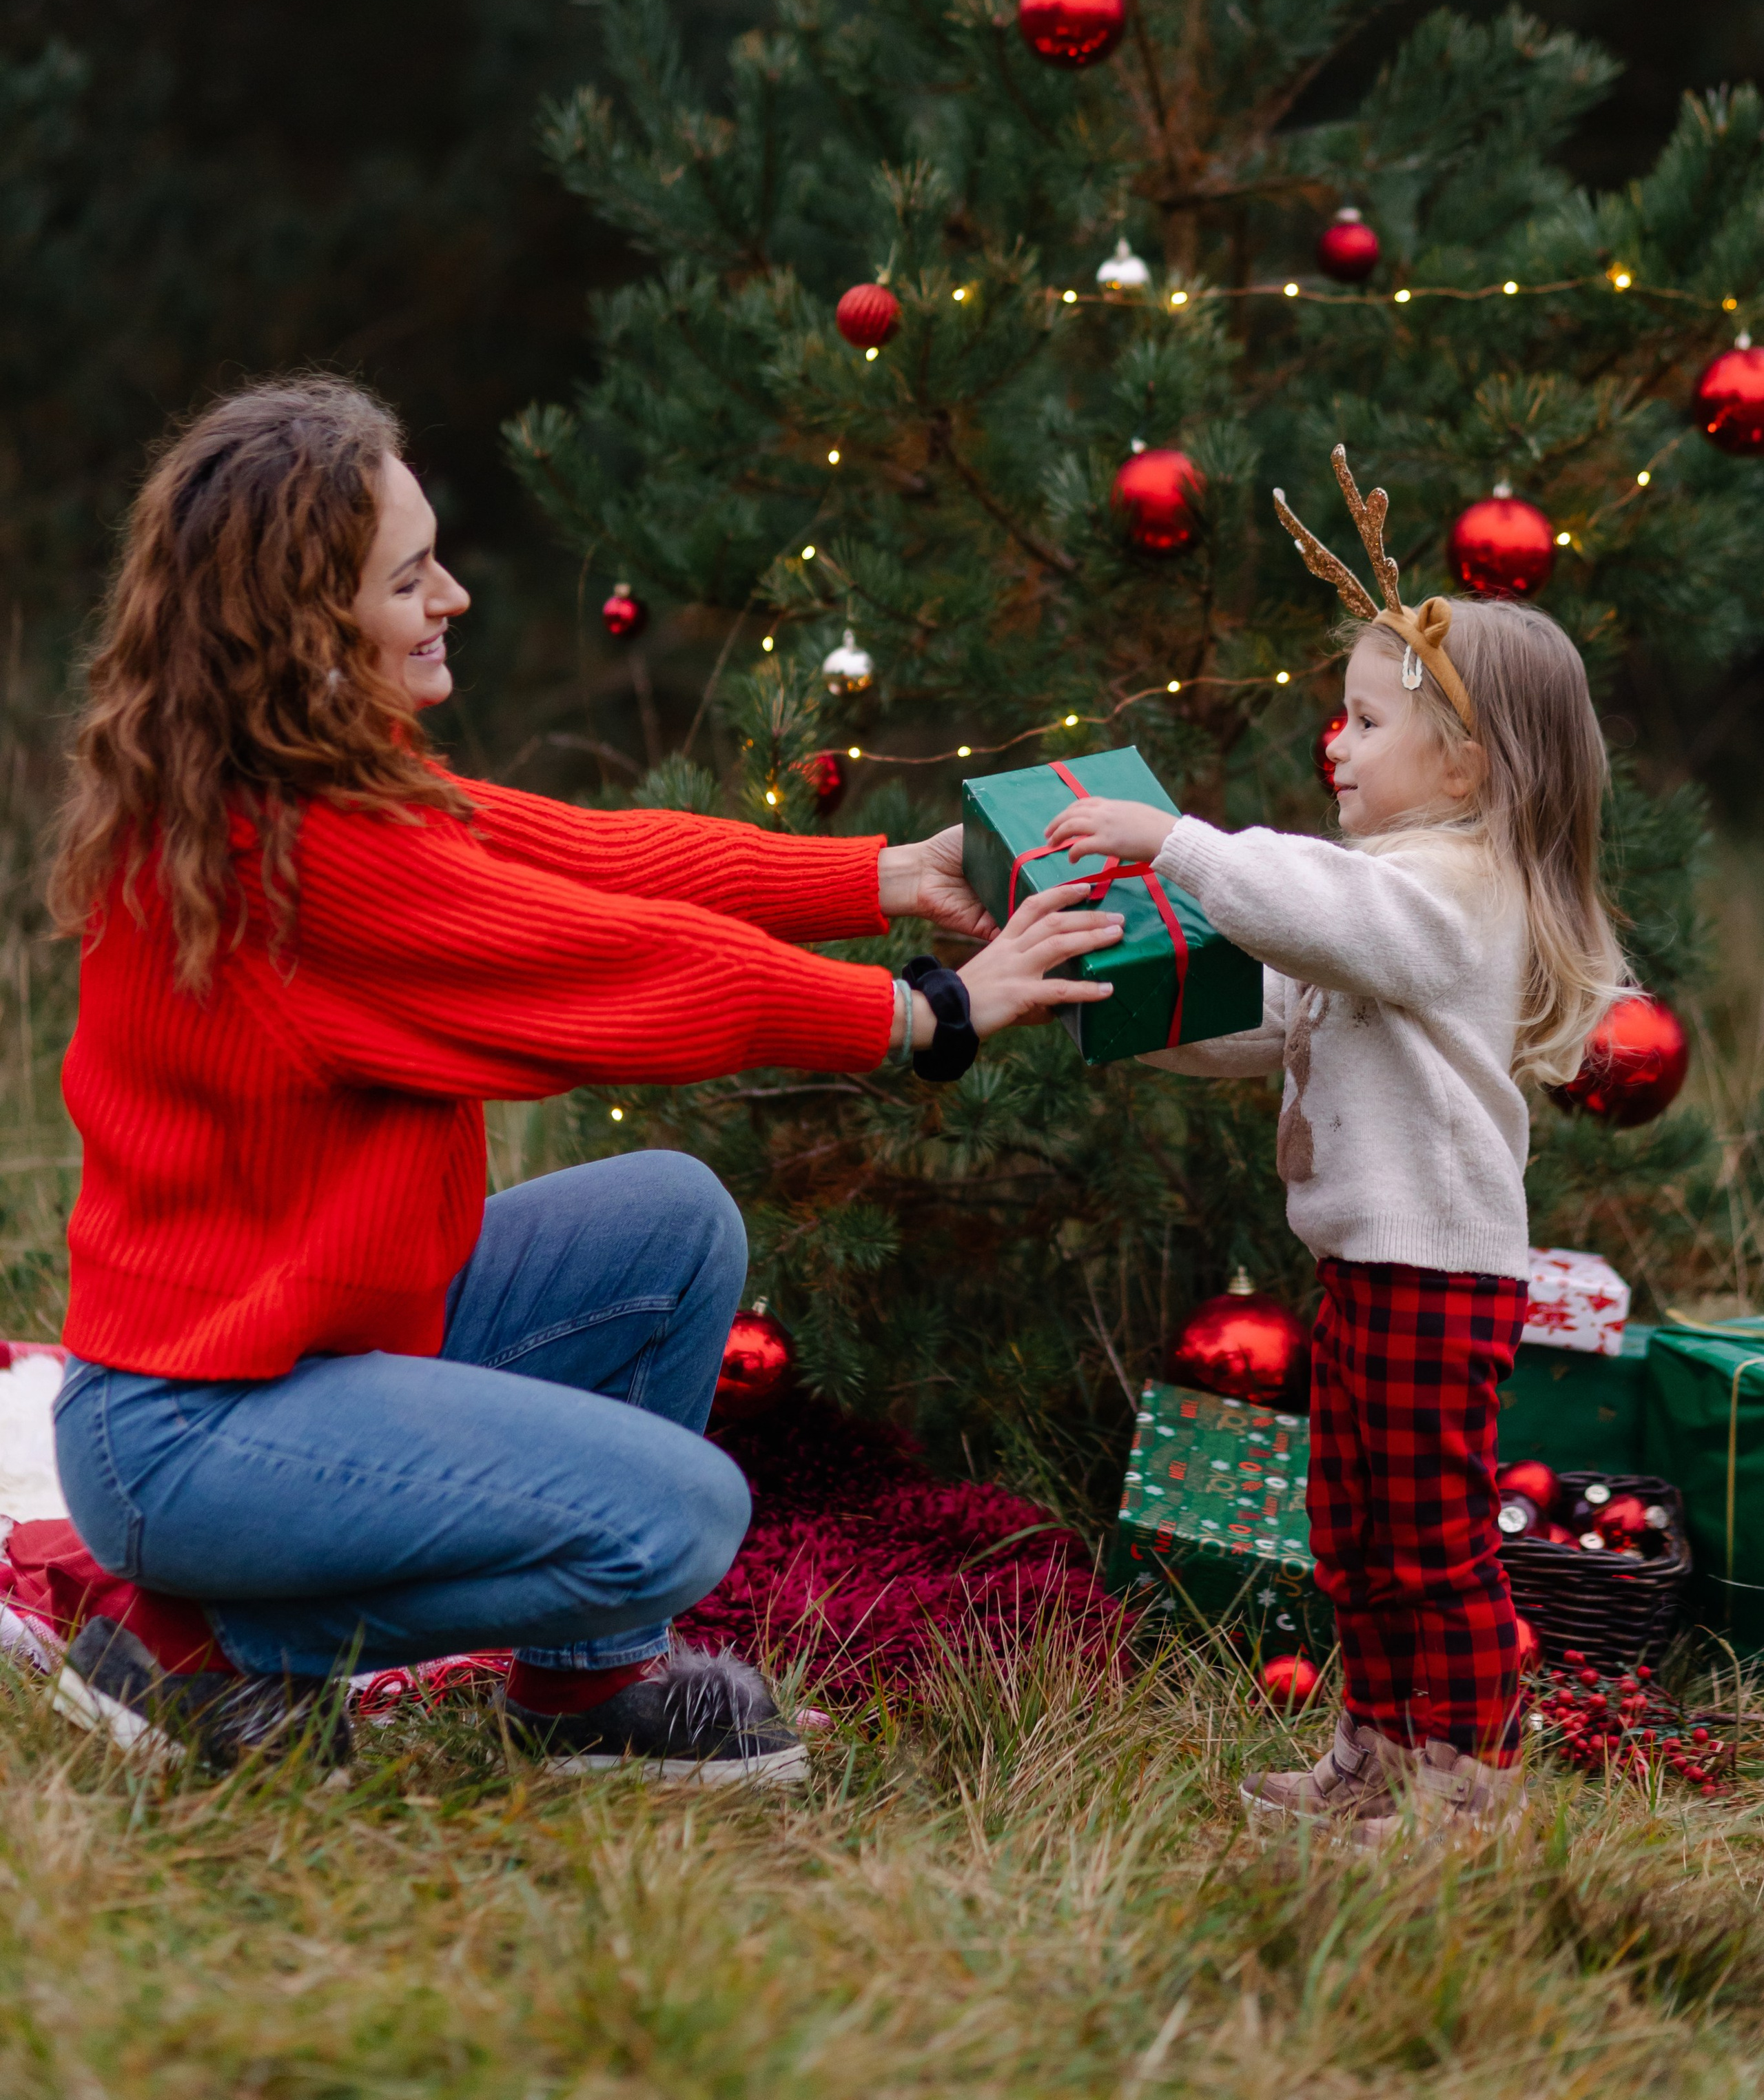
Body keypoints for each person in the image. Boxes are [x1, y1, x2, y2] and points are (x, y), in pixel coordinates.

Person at [40, 376, 1125, 1778]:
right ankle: (208, 1648)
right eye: (408, 580)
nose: (452, 599)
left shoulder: (314, 784)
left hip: (297, 1358)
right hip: (198, 1434)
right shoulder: (301, 859)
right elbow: (621, 965)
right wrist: (923, 1014)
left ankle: (586, 1691)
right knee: (677, 1519)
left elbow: (597, 860)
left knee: (670, 1224)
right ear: (304, 626)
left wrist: (886, 877)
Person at [1039, 448, 1623, 1841]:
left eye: (1365, 723)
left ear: (1463, 761)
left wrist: (1174, 843)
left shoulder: (1453, 893)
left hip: (1438, 1273)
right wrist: (1111, 1009)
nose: (1336, 746)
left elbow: (1313, 913)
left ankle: (1465, 1787)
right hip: (1372, 1268)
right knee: (1357, 1526)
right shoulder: (1385, 899)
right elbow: (1272, 1015)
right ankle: (1377, 1749)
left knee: (1429, 1537)